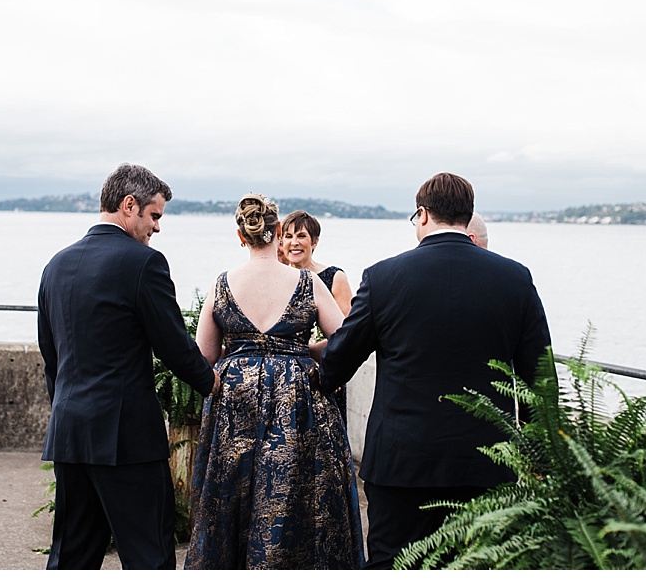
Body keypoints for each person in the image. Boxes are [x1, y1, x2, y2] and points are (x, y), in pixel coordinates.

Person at [319, 173, 551, 569]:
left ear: (422, 215)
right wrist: (537, 458)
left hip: (401, 461)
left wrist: (314, 373)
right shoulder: (515, 278)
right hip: (487, 463)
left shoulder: (383, 278)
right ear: (468, 215)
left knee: (394, 563)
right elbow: (540, 381)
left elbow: (338, 362)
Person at [37, 163, 220, 570]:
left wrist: (69, 409)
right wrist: (211, 382)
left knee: (72, 555)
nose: (157, 228)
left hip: (70, 433)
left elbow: (51, 356)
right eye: (154, 216)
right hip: (127, 441)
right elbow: (172, 344)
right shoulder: (142, 263)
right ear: (129, 205)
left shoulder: (56, 266)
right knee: (148, 557)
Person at [185, 193, 364, 570]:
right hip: (298, 402)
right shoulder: (306, 281)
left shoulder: (221, 284)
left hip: (236, 400)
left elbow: (204, 356)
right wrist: (302, 354)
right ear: (278, 231)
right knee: (298, 496)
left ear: (240, 235)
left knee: (234, 496)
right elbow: (343, 339)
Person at [280, 209, 354, 422]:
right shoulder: (276, 279)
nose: (294, 242)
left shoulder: (333, 277)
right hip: (284, 378)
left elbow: (347, 334)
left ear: (314, 242)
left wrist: (310, 352)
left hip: (325, 373)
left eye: (301, 236)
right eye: (288, 236)